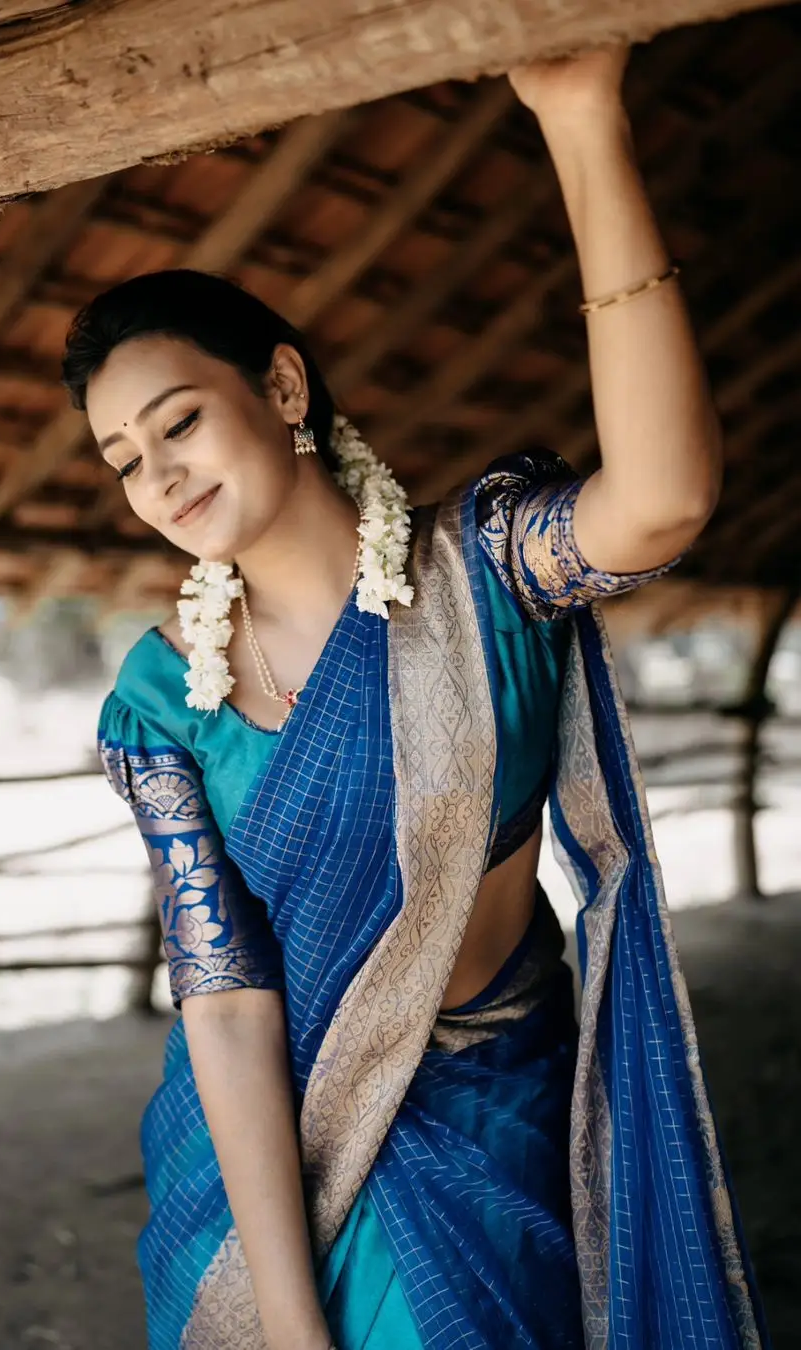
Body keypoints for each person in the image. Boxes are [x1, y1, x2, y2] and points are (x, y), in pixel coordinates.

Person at [63, 45, 767, 1350]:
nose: (155, 476)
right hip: (265, 1197)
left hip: (496, 1128)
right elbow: (221, 998)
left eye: (178, 423)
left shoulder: (487, 570)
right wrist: (290, 1319)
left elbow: (663, 498)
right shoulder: (164, 694)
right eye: (122, 460)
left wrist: (578, 117)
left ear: (280, 387)